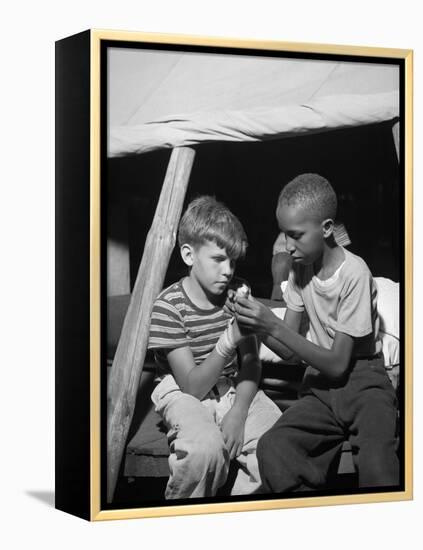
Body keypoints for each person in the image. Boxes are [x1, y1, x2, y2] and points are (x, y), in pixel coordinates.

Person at [229, 173, 399, 492]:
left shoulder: (354, 274)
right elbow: (290, 352)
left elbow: (338, 362)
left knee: (378, 465)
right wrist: (256, 325)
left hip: (364, 382)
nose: (288, 247)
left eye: (296, 236)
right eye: (284, 236)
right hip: (319, 387)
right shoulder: (299, 270)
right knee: (274, 447)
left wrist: (273, 323)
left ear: (326, 229)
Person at [148, 195, 281, 499]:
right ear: (188, 254)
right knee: (204, 450)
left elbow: (251, 363)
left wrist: (238, 410)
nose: (228, 270)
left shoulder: (236, 294)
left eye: (233, 261)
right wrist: (229, 337)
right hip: (182, 393)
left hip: (234, 387)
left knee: (278, 442)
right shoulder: (169, 306)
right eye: (218, 259)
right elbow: (192, 387)